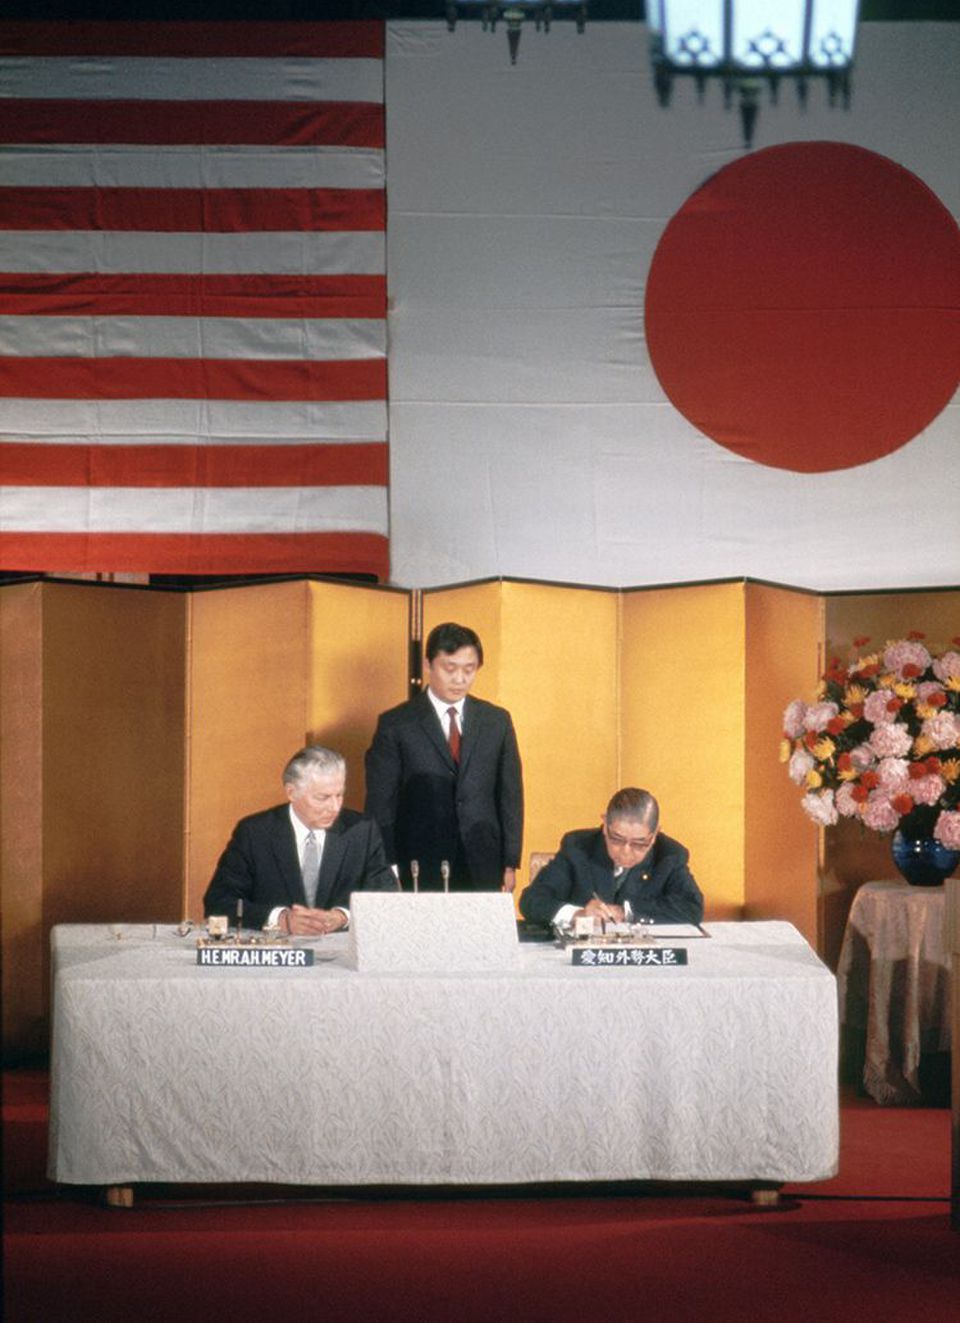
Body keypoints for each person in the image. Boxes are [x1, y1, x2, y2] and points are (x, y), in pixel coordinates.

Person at [364, 621, 523, 892]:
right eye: (450, 669)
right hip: (417, 861)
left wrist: (509, 862)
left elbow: (510, 795)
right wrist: (386, 866)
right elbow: (381, 804)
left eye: (469, 670)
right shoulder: (396, 724)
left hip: (483, 859)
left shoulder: (497, 721)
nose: (460, 679)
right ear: (428, 665)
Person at [204, 745, 394, 935]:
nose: (335, 807)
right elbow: (219, 902)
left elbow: (388, 899)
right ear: (291, 792)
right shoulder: (255, 833)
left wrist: (343, 916)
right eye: (323, 798)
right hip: (275, 955)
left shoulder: (361, 830)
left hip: (339, 954)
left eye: (339, 795)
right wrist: (281, 920)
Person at [519, 787, 703, 928]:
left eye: (639, 843)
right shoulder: (578, 847)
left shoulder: (669, 855)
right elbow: (533, 900)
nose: (626, 851)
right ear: (605, 825)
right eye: (617, 839)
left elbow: (692, 908)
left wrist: (626, 912)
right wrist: (577, 915)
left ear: (655, 834)